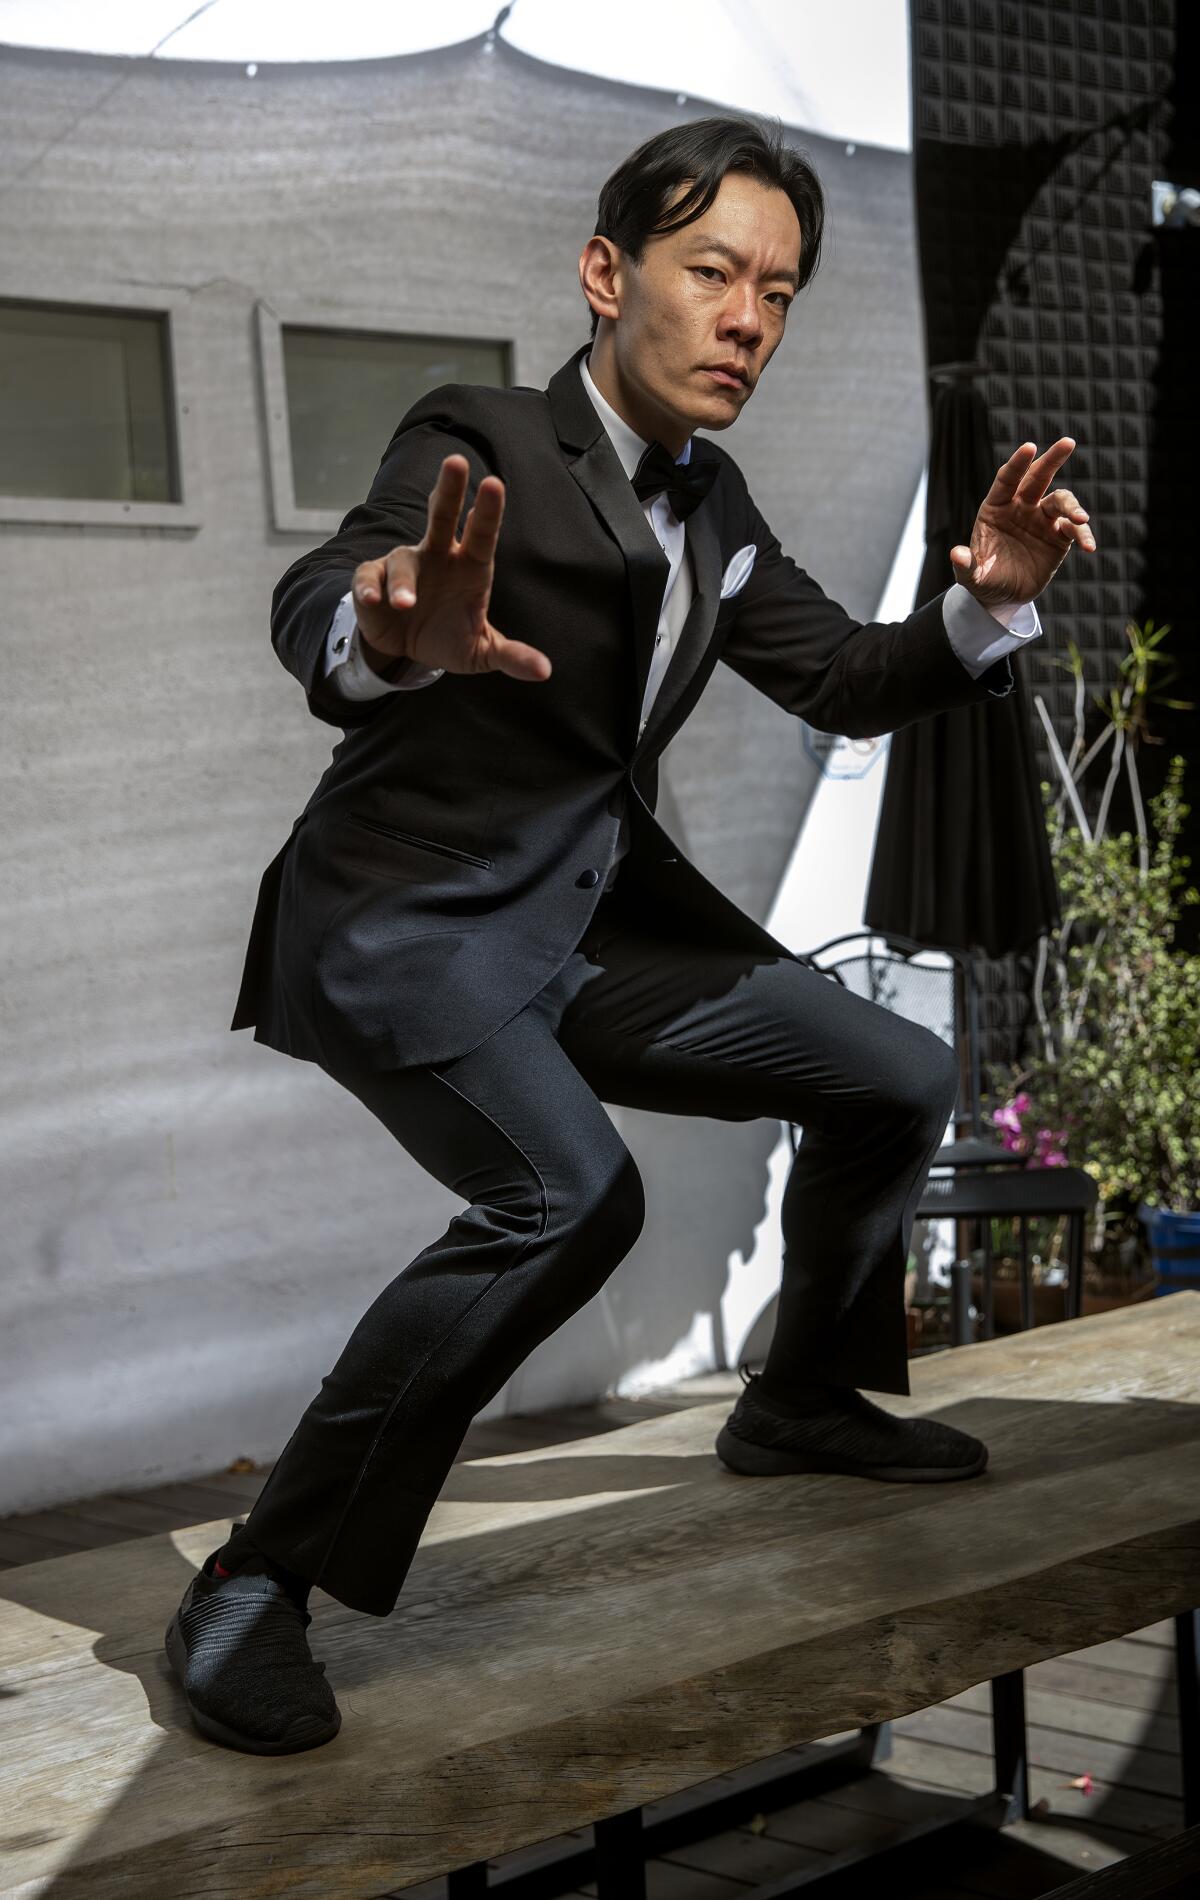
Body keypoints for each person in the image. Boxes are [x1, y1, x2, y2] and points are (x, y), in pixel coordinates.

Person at [165, 114, 1096, 1755]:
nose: (749, 319)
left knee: (887, 1068)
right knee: (566, 1197)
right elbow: (328, 596)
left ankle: (800, 1397)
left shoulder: (713, 502)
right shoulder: (485, 435)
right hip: (411, 923)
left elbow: (851, 678)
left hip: (583, 928)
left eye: (781, 293)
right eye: (714, 272)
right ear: (609, 275)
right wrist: (390, 630)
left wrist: (989, 599)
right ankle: (256, 1578)